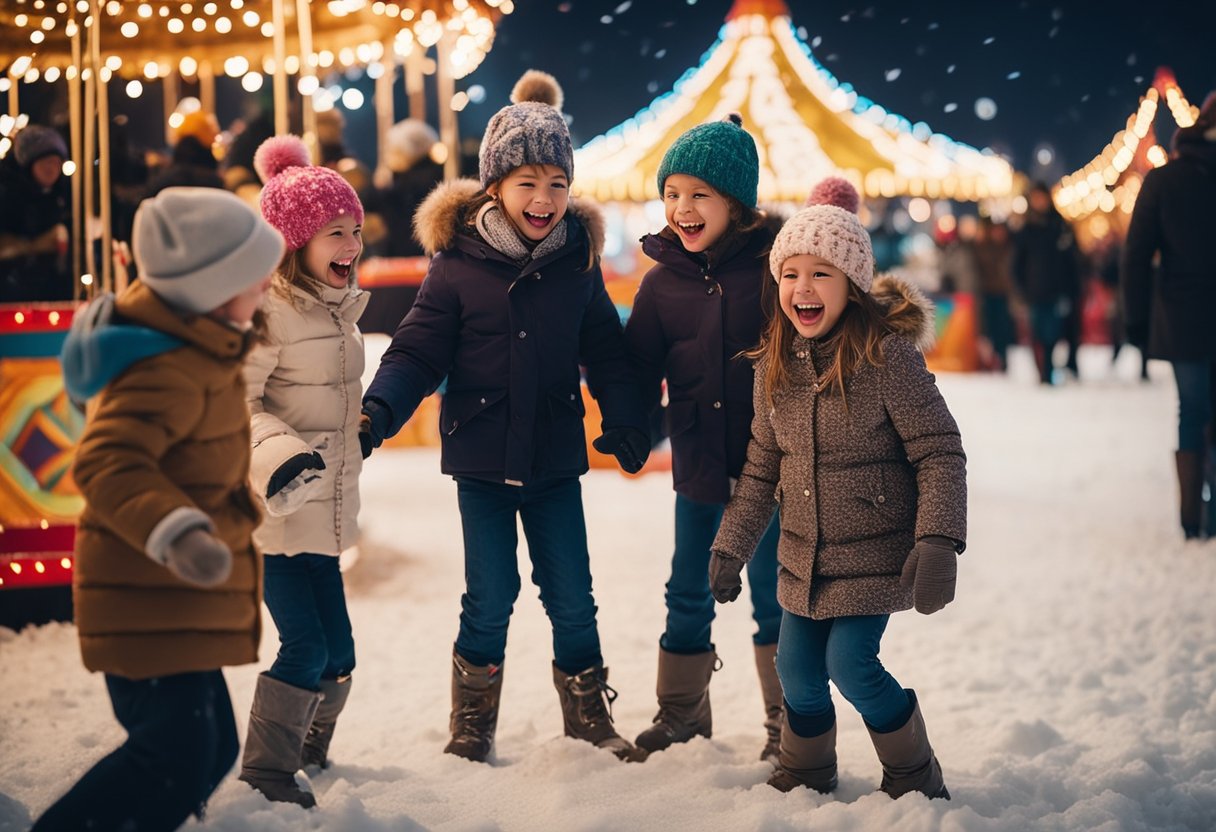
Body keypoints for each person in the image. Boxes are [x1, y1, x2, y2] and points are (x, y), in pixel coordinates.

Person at [360, 70, 650, 763]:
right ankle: (472, 723)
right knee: (489, 596)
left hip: (553, 456)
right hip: (483, 460)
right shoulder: (457, 266)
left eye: (557, 183)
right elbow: (417, 351)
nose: (544, 198)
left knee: (573, 594)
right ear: (494, 186)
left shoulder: (577, 263)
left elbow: (605, 349)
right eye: (527, 182)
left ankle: (586, 716)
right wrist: (377, 412)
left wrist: (628, 415)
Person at [33, 188, 284, 832]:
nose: (266, 282)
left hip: (173, 598)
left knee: (210, 751)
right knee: (173, 755)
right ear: (210, 289)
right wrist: (176, 531)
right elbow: (106, 462)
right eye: (253, 273)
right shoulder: (164, 368)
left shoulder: (207, 348)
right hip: (145, 592)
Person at [709, 177, 967, 799]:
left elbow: (939, 451)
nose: (803, 288)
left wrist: (937, 540)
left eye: (821, 274)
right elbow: (761, 467)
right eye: (791, 274)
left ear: (851, 286)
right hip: (803, 558)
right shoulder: (774, 364)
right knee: (795, 669)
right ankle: (807, 766)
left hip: (876, 553)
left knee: (849, 664)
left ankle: (912, 770)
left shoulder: (887, 358)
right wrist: (731, 547)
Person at [623, 114, 784, 761]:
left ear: (735, 205)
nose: (682, 208)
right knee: (687, 585)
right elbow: (637, 369)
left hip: (769, 471)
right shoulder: (661, 283)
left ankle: (789, 723)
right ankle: (682, 713)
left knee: (776, 592)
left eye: (699, 195)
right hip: (697, 466)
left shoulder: (774, 271)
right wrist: (631, 426)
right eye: (672, 194)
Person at [232, 135, 370, 807]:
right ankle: (266, 767)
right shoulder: (269, 310)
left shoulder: (338, 309)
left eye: (355, 230)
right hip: (279, 512)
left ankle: (306, 747)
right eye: (334, 232)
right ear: (294, 242)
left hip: (328, 510)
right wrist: (281, 458)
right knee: (306, 648)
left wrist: (361, 425)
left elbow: (331, 398)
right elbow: (240, 402)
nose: (350, 244)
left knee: (340, 655)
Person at [1122, 91, 1216, 540]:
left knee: (1192, 409)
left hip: (1182, 316)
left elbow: (1136, 255)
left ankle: (1190, 517)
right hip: (1190, 314)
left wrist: (1137, 320)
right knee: (1200, 409)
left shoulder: (1164, 179)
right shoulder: (1167, 179)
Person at [358, 118, 446, 334]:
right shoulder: (433, 177)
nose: (388, 155)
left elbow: (376, 199)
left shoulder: (407, 187)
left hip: (409, 269)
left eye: (392, 150)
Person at [1013, 182, 1081, 384]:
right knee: (1037, 334)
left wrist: (1070, 289)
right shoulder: (1027, 228)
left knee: (1052, 333)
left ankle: (1048, 370)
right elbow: (1018, 262)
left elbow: (1072, 260)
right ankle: (1041, 371)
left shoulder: (1060, 226)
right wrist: (1021, 287)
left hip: (1056, 290)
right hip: (1034, 291)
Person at [0, 124, 71, 302]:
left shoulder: (59, 197)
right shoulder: (7, 195)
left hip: (46, 289)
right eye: (46, 162)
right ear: (30, 163)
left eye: (56, 163)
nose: (52, 169)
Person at [973, 216, 1016, 371]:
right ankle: (991, 360)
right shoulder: (983, 247)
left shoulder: (1010, 247)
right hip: (987, 293)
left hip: (1004, 294)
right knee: (988, 328)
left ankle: (1002, 358)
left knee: (1003, 329)